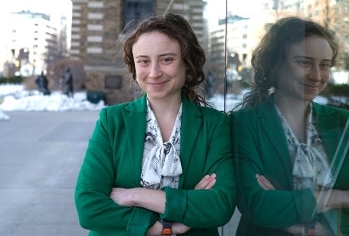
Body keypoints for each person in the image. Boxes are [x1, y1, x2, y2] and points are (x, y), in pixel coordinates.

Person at [75, 13, 236, 236]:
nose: (154, 72)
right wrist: (165, 226)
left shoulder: (214, 124)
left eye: (167, 59)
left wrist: (135, 196)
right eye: (143, 61)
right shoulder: (112, 121)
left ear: (187, 63)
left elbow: (220, 206)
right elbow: (89, 208)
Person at [230, 16, 349, 236]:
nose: (317, 76)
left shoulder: (347, 122)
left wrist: (287, 209)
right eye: (304, 62)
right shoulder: (244, 124)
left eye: (325, 65)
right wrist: (342, 197)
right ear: (275, 64)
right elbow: (257, 204)